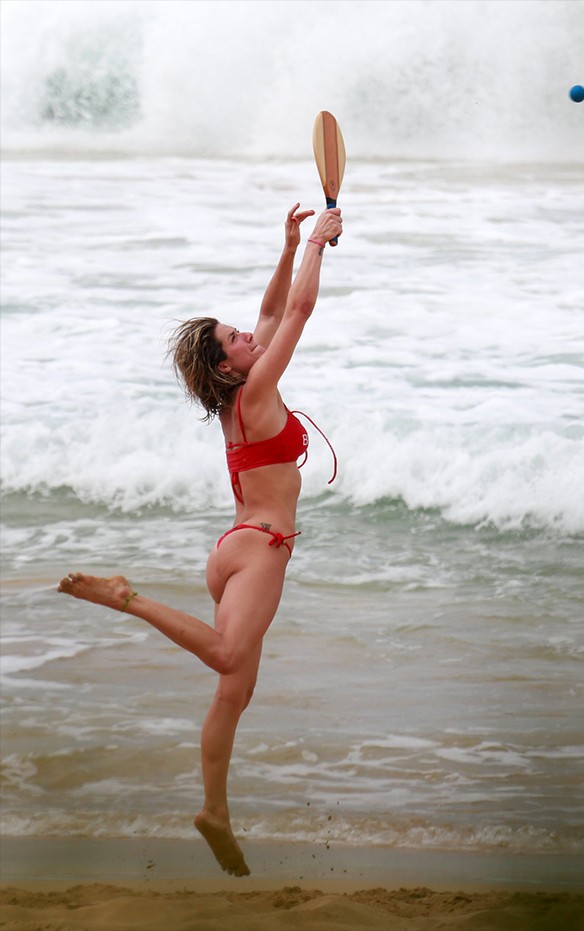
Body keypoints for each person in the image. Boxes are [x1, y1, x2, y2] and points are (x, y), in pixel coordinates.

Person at [57, 202, 343, 877]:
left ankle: (214, 810)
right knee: (225, 659)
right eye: (235, 337)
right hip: (261, 548)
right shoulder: (258, 389)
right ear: (228, 366)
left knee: (234, 692)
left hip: (233, 550)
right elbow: (296, 316)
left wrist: (290, 245)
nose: (250, 332)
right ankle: (126, 596)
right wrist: (319, 249)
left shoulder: (241, 399)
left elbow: (274, 316)